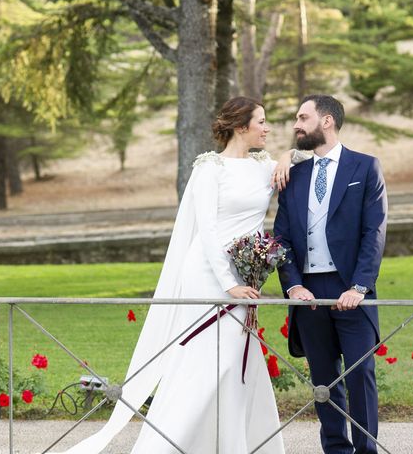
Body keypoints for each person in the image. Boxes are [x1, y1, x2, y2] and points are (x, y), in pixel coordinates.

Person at [60, 97, 304, 454]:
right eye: (261, 122)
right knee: (204, 361)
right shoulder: (210, 169)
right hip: (209, 275)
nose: (268, 129)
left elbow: (311, 157)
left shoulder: (265, 166)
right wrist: (229, 284)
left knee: (237, 359)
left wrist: (288, 156)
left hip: (244, 273)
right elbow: (205, 231)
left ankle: (235, 444)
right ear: (241, 127)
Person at [274, 95, 388, 454]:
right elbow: (281, 237)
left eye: (302, 117)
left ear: (327, 121)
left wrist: (359, 286)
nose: (296, 124)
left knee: (359, 375)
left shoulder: (365, 167)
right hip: (308, 290)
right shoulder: (293, 175)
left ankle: (367, 451)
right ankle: (336, 449)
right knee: (323, 379)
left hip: (350, 288)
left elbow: (375, 232)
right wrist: (292, 285)